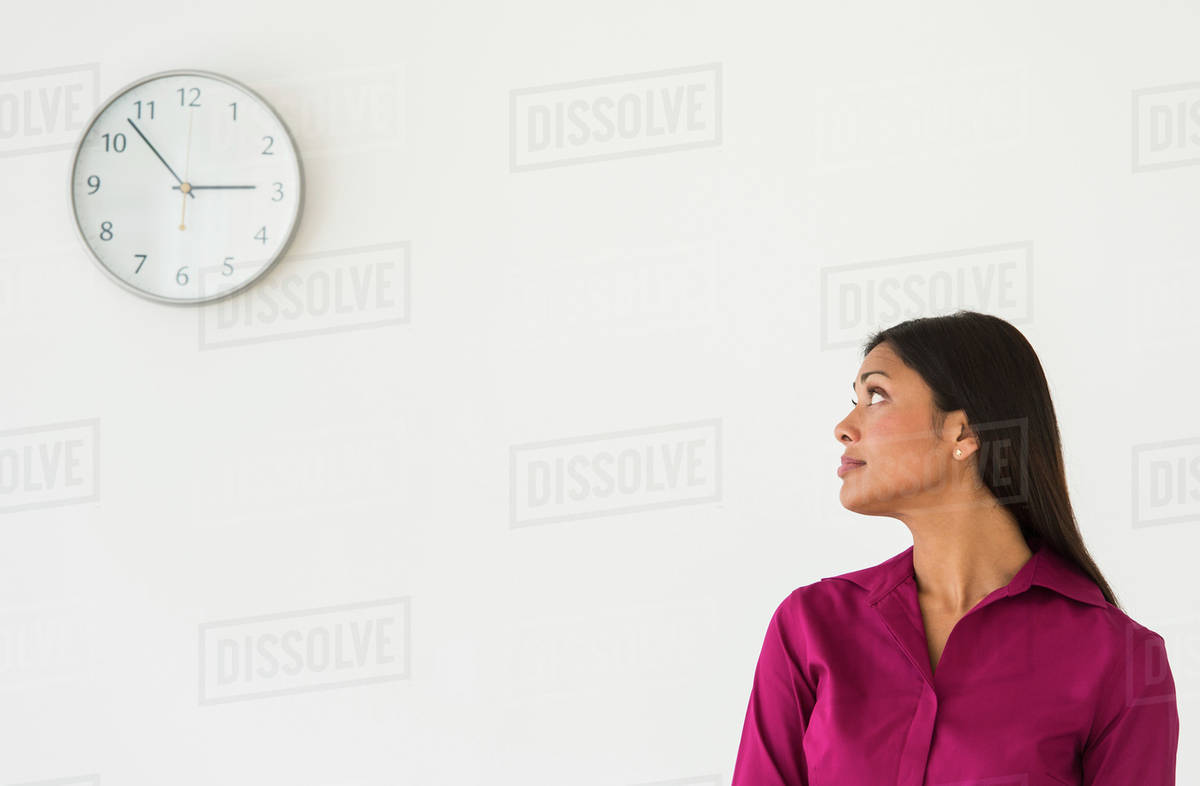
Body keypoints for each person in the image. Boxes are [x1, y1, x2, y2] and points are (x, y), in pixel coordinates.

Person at [731, 311, 1179, 785]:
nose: (844, 427)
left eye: (876, 396)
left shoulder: (1121, 659)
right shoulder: (810, 626)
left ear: (962, 434)